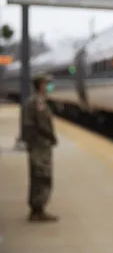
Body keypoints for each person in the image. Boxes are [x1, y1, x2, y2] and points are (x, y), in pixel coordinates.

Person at [22, 72, 58, 222]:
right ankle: (38, 210)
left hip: (37, 144)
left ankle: (36, 210)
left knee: (37, 176)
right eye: (47, 84)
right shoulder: (38, 102)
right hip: (40, 145)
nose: (49, 86)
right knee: (42, 176)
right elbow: (43, 125)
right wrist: (52, 137)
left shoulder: (34, 100)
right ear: (41, 85)